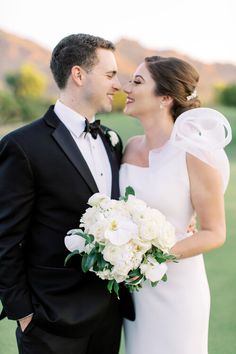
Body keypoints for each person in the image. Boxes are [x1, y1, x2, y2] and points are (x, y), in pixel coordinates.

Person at [0, 33, 134, 354]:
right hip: (50, 322)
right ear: (78, 74)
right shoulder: (22, 146)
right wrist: (24, 313)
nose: (118, 84)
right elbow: (5, 237)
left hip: (108, 316)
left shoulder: (111, 139)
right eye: (110, 74)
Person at [120, 56, 231, 354]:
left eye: (138, 82)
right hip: (136, 292)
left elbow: (214, 232)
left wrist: (150, 258)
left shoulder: (193, 153)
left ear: (165, 98)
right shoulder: (129, 148)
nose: (126, 87)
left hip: (178, 289)